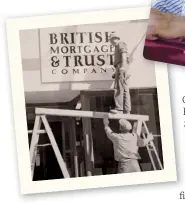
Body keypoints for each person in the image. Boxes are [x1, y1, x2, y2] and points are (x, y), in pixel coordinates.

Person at [109, 33, 131, 114]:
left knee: (118, 88)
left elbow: (124, 54)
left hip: (121, 65)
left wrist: (123, 66)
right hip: (121, 66)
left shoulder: (120, 44)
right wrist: (116, 72)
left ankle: (119, 109)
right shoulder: (117, 46)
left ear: (115, 38)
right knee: (124, 88)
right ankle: (126, 110)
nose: (111, 42)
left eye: (111, 40)